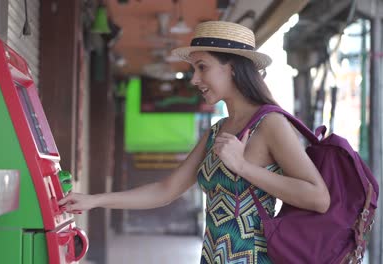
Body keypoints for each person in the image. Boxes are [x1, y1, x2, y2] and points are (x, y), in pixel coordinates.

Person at [59, 21, 331, 263]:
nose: (194, 79)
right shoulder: (217, 131)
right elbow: (166, 190)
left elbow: (319, 198)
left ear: (233, 69)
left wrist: (244, 167)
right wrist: (94, 200)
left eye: (202, 67)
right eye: (193, 69)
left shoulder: (271, 123)